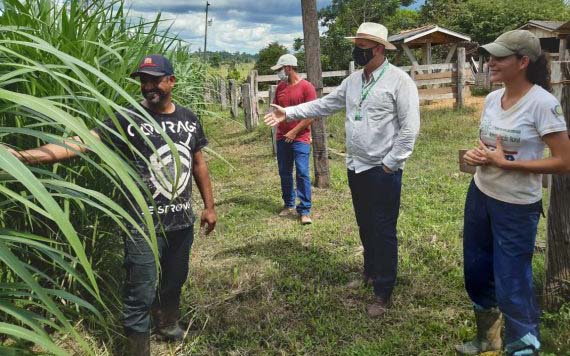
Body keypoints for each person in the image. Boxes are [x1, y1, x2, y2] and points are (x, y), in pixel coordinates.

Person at [5, 54, 217, 356]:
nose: (147, 86)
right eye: (143, 80)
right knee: (140, 291)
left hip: (181, 221)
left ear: (172, 81)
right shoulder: (128, 119)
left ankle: (168, 324)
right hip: (140, 223)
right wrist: (23, 156)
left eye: (155, 79)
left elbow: (198, 164)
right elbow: (81, 142)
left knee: (174, 280)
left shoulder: (188, 119)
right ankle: (137, 350)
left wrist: (209, 206)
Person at [264, 22, 420, 317]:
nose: (356, 51)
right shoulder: (354, 81)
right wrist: (289, 112)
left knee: (384, 228)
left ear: (377, 49)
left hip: (382, 170)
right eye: (356, 45)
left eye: (361, 46)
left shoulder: (399, 82)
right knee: (365, 224)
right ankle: (370, 273)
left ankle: (383, 290)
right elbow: (323, 105)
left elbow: (409, 130)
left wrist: (391, 164)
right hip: (356, 167)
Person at [458, 30, 570, 356]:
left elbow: (564, 161)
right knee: (477, 271)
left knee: (512, 282)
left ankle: (523, 347)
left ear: (523, 62)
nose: (490, 62)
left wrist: (509, 165)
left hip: (516, 207)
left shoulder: (542, 104)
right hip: (480, 194)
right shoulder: (493, 98)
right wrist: (475, 156)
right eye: (491, 55)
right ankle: (488, 340)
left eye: (500, 57)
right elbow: (490, 145)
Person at [271, 54, 316, 224]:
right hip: (282, 136)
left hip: (301, 137)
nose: (279, 73)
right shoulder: (280, 87)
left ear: (288, 68)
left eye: (280, 70)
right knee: (285, 172)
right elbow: (277, 110)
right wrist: (273, 117)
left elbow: (312, 114)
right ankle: (288, 203)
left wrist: (294, 132)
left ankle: (304, 210)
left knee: (302, 172)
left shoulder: (307, 87)